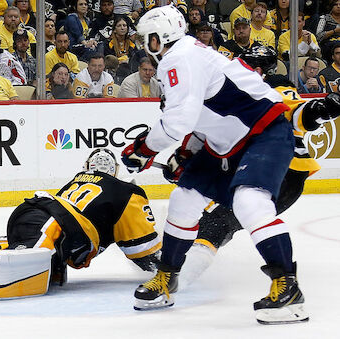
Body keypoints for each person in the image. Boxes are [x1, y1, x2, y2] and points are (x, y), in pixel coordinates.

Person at [123, 5, 307, 325]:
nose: (143, 45)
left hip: (264, 131)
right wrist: (186, 153)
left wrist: (142, 149)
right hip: (228, 142)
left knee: (249, 201)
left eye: (146, 38)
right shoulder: (185, 55)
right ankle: (167, 277)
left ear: (158, 38)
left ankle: (288, 287)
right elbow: (199, 119)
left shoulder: (179, 59)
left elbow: (178, 121)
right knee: (184, 198)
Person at [178, 45, 340, 294]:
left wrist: (321, 109)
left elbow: (296, 112)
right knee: (212, 219)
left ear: (257, 70)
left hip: (284, 173)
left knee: (218, 222)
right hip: (265, 170)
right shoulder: (237, 96)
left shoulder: (272, 87)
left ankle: (181, 279)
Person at [0, 148, 161, 300]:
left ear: (87, 168)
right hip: (49, 223)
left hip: (35, 215)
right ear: (115, 171)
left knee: (45, 274)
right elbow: (145, 253)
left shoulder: (75, 182)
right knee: (21, 271)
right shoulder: (127, 192)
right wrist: (182, 259)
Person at [104, 17, 138, 81]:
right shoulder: (108, 43)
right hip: (114, 70)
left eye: (124, 26)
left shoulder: (131, 43)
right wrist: (121, 60)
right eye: (119, 26)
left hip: (129, 69)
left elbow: (135, 58)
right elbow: (108, 59)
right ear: (114, 30)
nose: (122, 28)